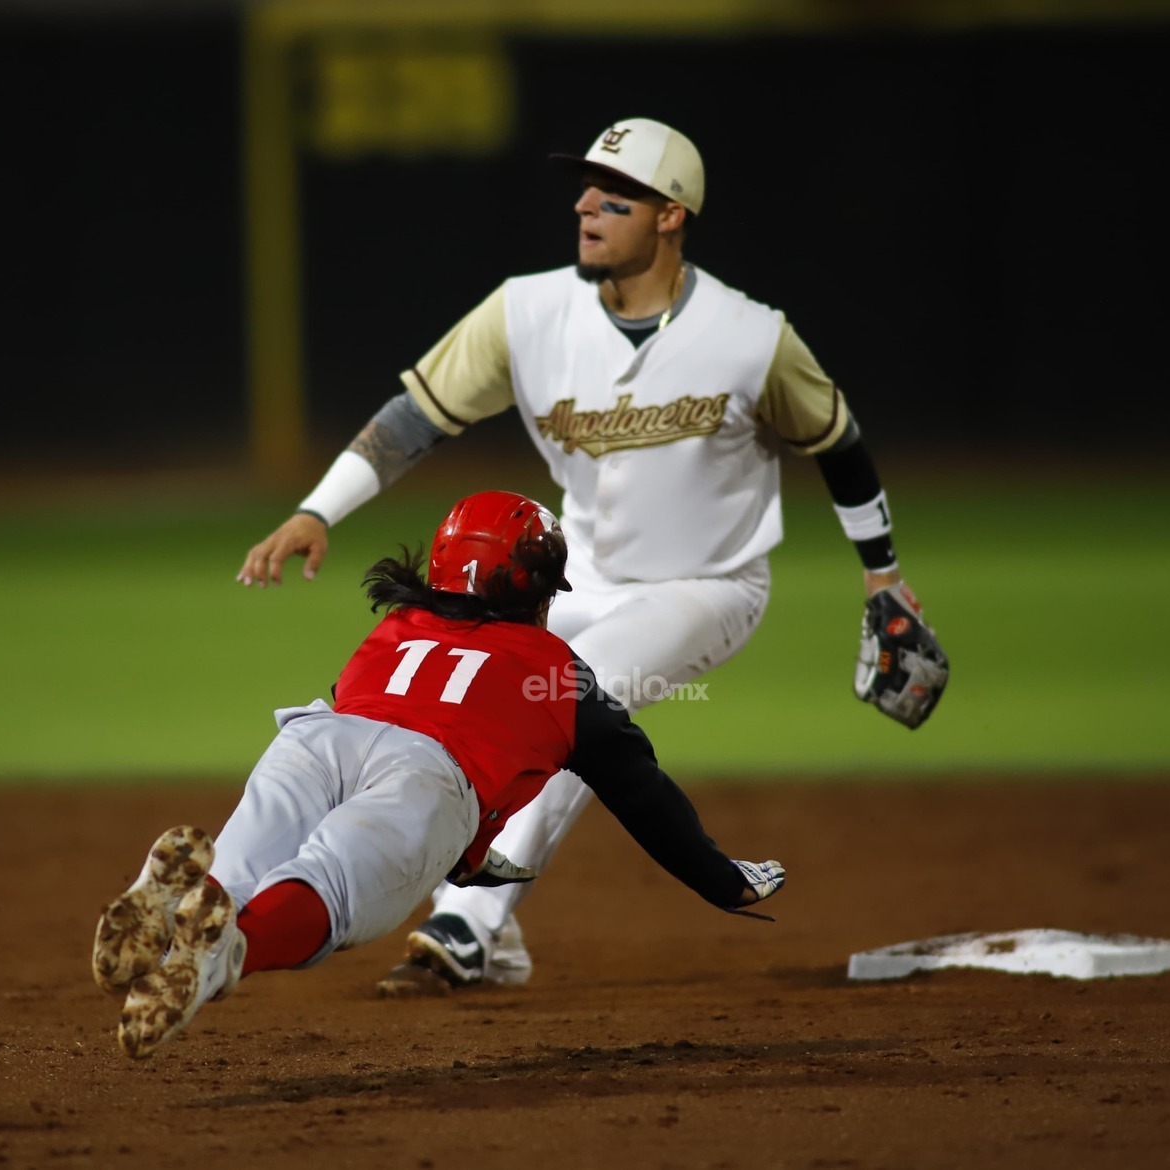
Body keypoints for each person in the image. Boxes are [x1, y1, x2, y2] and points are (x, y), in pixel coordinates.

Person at [236, 118, 945, 996]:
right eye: (585, 190)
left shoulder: (750, 337)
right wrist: (319, 508)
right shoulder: (527, 312)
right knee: (455, 689)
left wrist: (883, 574)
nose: (586, 207)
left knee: (564, 695)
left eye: (616, 197)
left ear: (672, 216)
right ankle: (476, 925)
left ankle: (468, 922)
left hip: (707, 585)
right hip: (572, 585)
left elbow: (837, 440)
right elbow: (416, 416)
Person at [96, 491, 787, 1057]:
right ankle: (223, 955)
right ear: (538, 588)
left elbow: (384, 715)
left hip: (317, 736)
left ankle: (172, 911)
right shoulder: (559, 675)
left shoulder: (394, 627)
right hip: (427, 775)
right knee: (328, 887)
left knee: (240, 872)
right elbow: (643, 795)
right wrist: (719, 879)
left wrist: (470, 853)